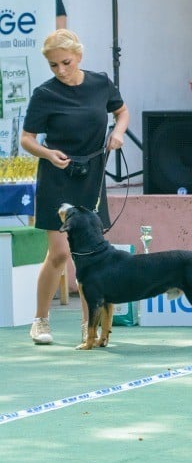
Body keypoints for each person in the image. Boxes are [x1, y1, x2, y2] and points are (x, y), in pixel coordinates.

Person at [19, 29, 129, 345]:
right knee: (59, 254)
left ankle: (88, 325)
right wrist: (47, 154)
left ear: (78, 56)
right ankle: (40, 320)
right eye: (54, 66)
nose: (61, 71)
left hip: (92, 175)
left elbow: (122, 111)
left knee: (91, 256)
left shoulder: (100, 83)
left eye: (66, 63)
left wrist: (118, 132)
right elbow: (26, 138)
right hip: (56, 176)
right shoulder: (44, 94)